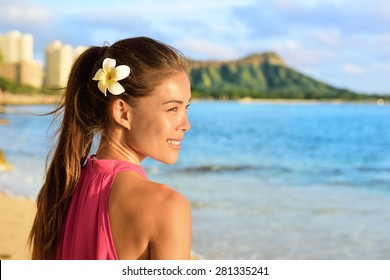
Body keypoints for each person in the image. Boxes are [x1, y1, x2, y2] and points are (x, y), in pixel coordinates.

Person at [29, 37, 192, 260]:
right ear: (123, 113)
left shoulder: (64, 187)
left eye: (186, 108)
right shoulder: (167, 207)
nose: (185, 125)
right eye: (172, 109)